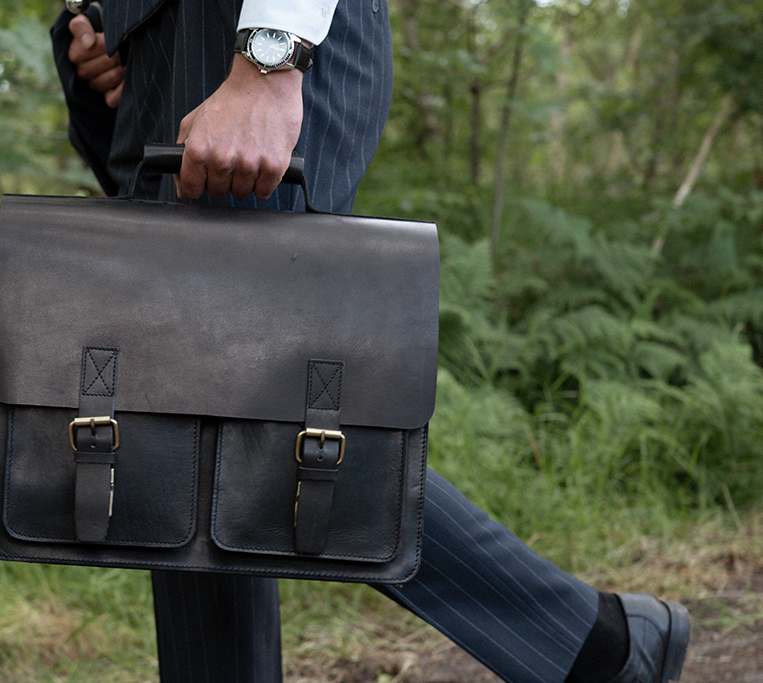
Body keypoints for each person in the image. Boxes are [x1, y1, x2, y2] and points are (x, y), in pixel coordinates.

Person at [50, 1, 691, 680]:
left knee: (234, 403)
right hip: (143, 52)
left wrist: (272, 54)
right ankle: (597, 645)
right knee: (171, 416)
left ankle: (590, 644)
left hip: (250, 37)